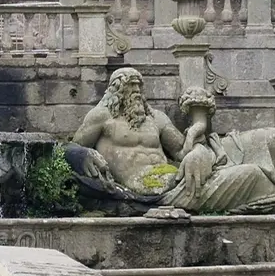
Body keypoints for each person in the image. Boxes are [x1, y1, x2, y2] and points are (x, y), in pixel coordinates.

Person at [72, 67, 275, 212]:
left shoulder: (156, 119)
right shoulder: (101, 117)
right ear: (115, 90)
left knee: (254, 162)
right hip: (150, 191)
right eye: (129, 86)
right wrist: (81, 154)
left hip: (176, 180)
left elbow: (181, 150)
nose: (135, 91)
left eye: (138, 86)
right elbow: (70, 146)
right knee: (253, 175)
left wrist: (197, 152)